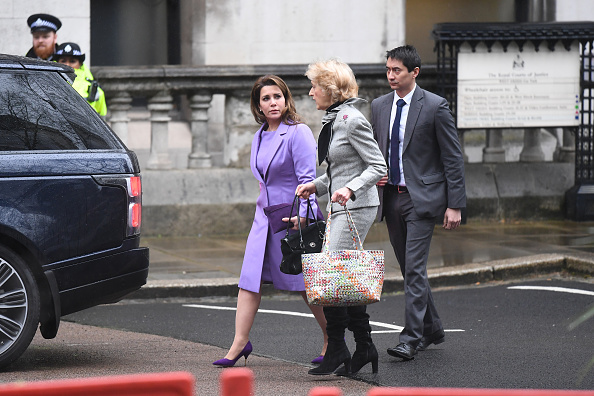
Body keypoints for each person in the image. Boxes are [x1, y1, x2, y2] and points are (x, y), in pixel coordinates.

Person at [212, 75, 328, 367]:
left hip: (293, 220)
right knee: (249, 280)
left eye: (277, 96)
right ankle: (240, 342)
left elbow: (307, 180)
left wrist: (305, 216)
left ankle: (332, 339)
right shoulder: (260, 135)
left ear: (286, 100)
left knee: (306, 285)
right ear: (258, 106)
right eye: (266, 98)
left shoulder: (298, 132)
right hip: (263, 220)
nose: (272, 102)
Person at [370, 45, 466, 361]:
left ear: (414, 72)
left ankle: (410, 338)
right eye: (388, 70)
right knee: (410, 268)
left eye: (396, 70)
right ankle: (433, 328)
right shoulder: (380, 106)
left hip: (421, 199)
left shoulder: (435, 106)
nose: (390, 75)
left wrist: (455, 204)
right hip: (391, 199)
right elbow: (375, 152)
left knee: (414, 269)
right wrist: (377, 176)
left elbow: (452, 157)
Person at [296, 59, 387, 376]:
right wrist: (316, 186)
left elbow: (378, 167)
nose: (310, 93)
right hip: (341, 205)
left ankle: (337, 348)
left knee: (333, 275)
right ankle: (363, 346)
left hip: (358, 206)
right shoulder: (333, 120)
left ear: (331, 90)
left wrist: (349, 189)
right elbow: (341, 169)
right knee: (343, 277)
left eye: (315, 87)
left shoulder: (351, 120)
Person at [54, 43, 107, 117]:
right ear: (57, 62)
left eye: (72, 61)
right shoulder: (48, 83)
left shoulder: (95, 90)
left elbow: (101, 120)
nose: (68, 65)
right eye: (63, 61)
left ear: (80, 64)